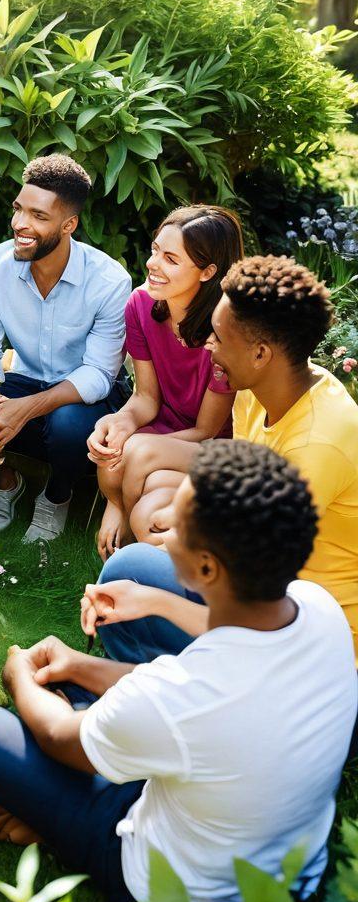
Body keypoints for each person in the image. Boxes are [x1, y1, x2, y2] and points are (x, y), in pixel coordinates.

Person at [0, 440, 356, 902]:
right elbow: (183, 696)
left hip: (175, 887)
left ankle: (49, 820)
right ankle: (53, 791)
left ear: (207, 566)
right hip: (279, 853)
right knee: (82, 691)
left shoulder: (187, 692)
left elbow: (61, 737)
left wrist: (19, 674)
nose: (160, 524)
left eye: (176, 523)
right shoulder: (318, 607)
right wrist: (81, 664)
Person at [105, 255, 358, 651]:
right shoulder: (262, 390)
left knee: (129, 569)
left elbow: (247, 570)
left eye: (219, 337)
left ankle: (152, 684)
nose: (208, 345)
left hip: (310, 633)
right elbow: (237, 488)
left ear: (260, 354)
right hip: (268, 586)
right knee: (149, 535)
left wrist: (177, 543)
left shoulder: (317, 445)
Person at [0, 154, 131, 543]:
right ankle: (5, 483)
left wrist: (22, 411)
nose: (20, 225)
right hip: (23, 383)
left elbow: (99, 375)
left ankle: (57, 496)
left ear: (69, 225)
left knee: (68, 425)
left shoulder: (109, 280)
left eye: (38, 217)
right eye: (18, 210)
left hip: (83, 400)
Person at [88, 205, 242, 559]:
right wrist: (120, 424)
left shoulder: (227, 330)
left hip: (212, 446)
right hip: (163, 433)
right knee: (124, 461)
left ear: (207, 272)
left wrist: (135, 452)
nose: (153, 264)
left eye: (171, 259)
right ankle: (127, 512)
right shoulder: (141, 305)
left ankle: (126, 517)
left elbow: (207, 430)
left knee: (135, 471)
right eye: (156, 250)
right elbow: (146, 398)